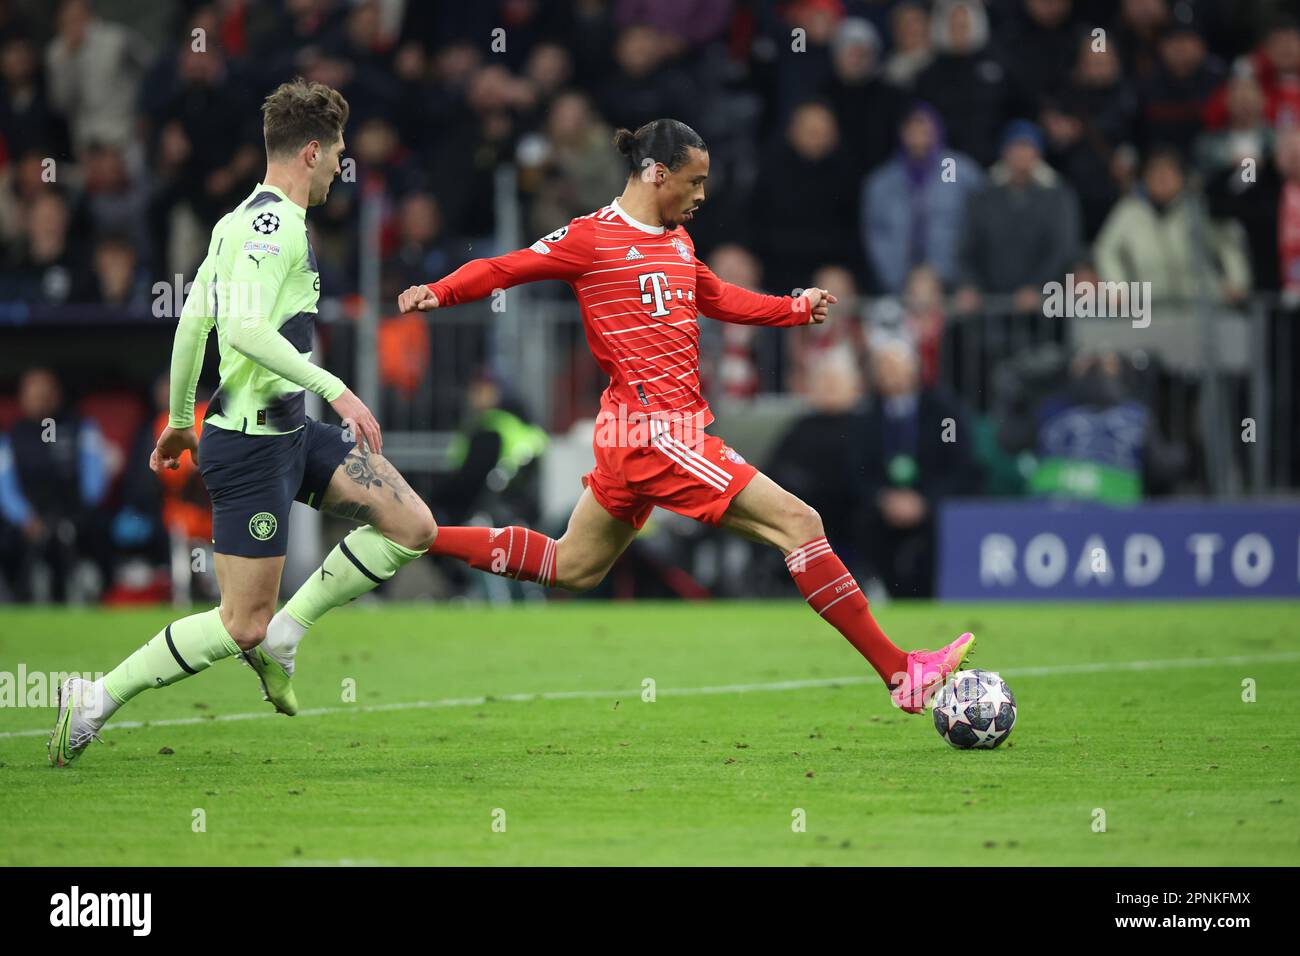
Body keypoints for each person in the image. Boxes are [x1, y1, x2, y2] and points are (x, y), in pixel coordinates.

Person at [395, 118, 974, 716]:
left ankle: (420, 535)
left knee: (575, 565)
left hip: (644, 436)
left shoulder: (677, 241)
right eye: (694, 182)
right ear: (657, 173)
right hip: (653, 434)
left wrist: (793, 309)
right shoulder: (592, 238)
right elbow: (504, 268)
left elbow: (719, 297)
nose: (702, 195)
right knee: (800, 523)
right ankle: (902, 671)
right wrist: (440, 290)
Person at [49, 79, 437, 767]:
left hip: (290, 432)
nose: (341, 167)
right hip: (251, 447)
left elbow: (194, 320)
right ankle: (95, 697)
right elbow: (244, 328)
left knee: (412, 527)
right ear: (312, 151)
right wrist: (338, 389)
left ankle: (292, 630)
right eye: (339, 152)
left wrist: (176, 419)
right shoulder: (270, 227)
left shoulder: (235, 223)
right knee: (240, 625)